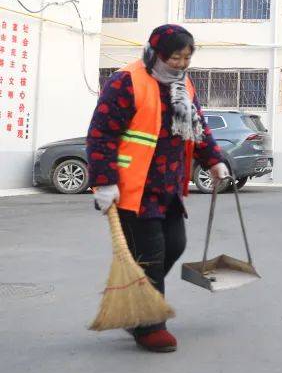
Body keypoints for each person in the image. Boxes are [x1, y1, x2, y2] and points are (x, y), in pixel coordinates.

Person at [87, 24, 229, 353]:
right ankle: (150, 325)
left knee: (174, 245)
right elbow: (101, 134)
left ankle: (135, 300)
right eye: (174, 57)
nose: (181, 64)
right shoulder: (127, 81)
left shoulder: (184, 85)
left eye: (186, 57)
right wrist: (104, 181)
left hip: (168, 184)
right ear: (157, 53)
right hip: (133, 187)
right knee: (150, 256)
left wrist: (214, 159)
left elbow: (198, 126)